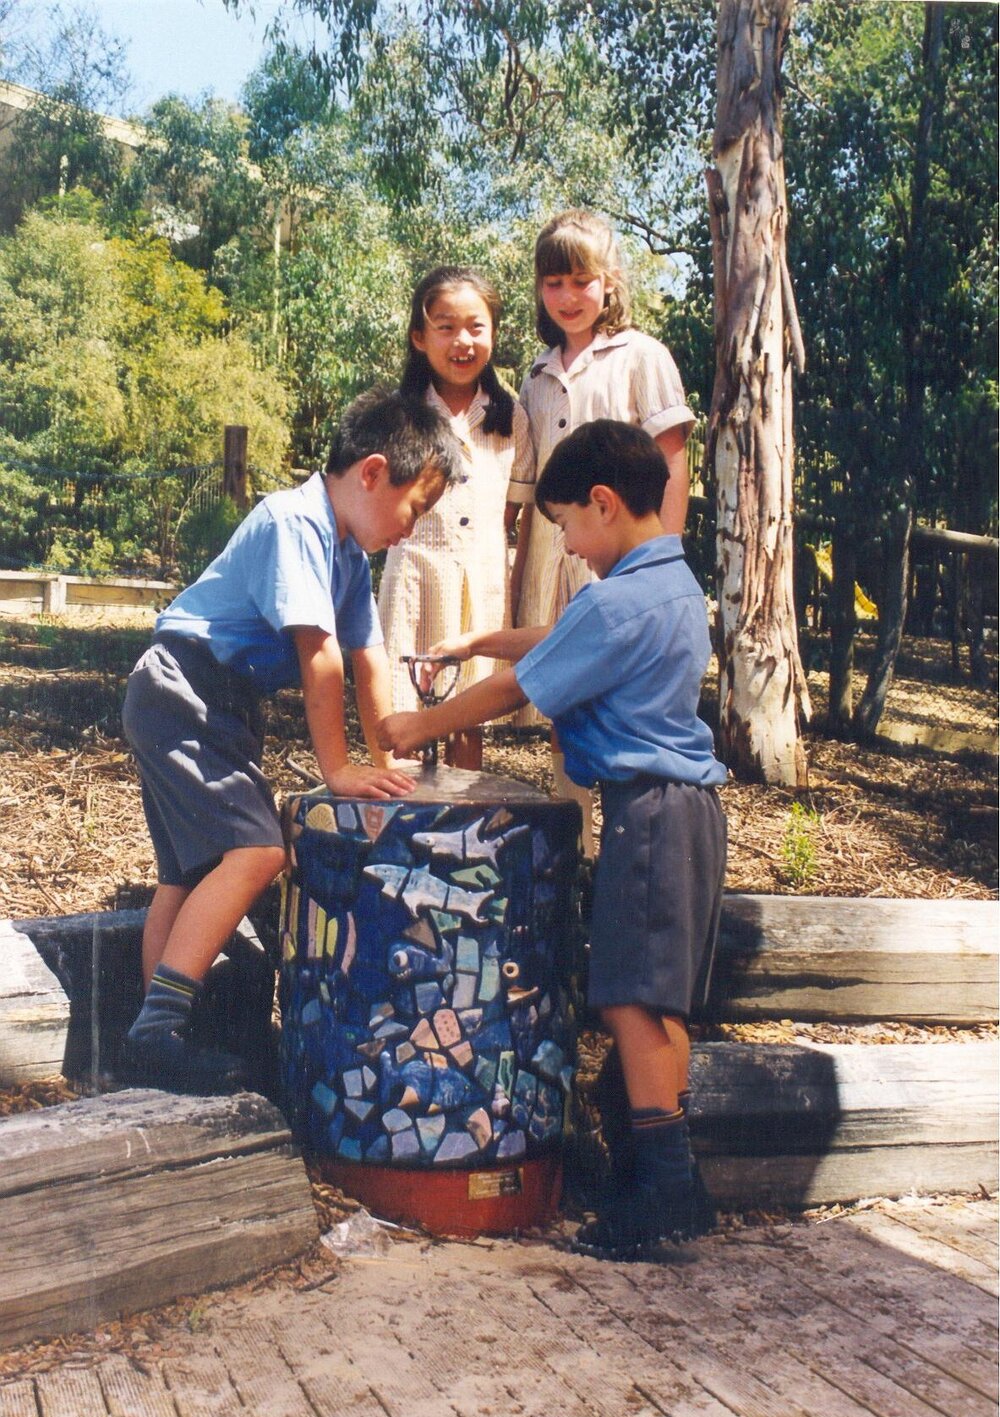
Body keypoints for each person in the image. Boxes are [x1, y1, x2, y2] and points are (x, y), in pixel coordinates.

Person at [378, 421, 727, 1260]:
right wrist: (477, 638)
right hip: (695, 812)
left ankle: (664, 1185)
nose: (568, 543)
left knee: (629, 1002)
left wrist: (417, 722)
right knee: (662, 1000)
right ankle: (668, 1178)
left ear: (602, 506)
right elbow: (559, 646)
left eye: (568, 525)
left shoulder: (613, 598)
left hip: (646, 812)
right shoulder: (672, 581)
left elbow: (511, 693)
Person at [122, 388, 463, 1093]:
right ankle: (158, 1032)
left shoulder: (344, 552)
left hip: (203, 696)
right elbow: (324, 656)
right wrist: (338, 768)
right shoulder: (294, 523)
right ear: (372, 472)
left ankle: (159, 1032)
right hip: (186, 688)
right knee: (259, 851)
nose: (410, 528)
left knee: (187, 874)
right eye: (414, 508)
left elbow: (369, 657)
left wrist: (385, 759)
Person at [511, 209, 697, 856]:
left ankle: (628, 848)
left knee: (622, 698)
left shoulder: (642, 357)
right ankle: (575, 855)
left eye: (581, 281)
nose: (567, 297)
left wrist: (661, 558)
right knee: (566, 699)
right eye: (553, 282)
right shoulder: (536, 373)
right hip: (557, 557)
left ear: (610, 281)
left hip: (626, 566)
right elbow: (533, 485)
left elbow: (671, 457)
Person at [377, 266, 535, 769]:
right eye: (445, 327)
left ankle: (463, 830)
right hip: (415, 578)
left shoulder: (511, 418)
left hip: (482, 580)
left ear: (494, 333)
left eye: (476, 327)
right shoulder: (399, 415)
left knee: (469, 712)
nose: (462, 341)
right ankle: (404, 829)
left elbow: (510, 509)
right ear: (419, 338)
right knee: (406, 707)